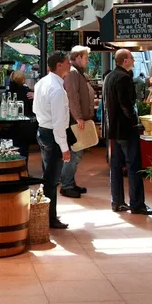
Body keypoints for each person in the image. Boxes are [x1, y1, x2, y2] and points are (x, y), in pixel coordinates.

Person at [105, 49, 152, 215]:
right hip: (126, 129)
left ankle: (117, 201)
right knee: (133, 165)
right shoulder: (123, 78)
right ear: (125, 61)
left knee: (116, 165)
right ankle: (137, 204)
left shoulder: (110, 76)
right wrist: (134, 120)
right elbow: (126, 104)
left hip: (113, 129)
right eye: (131, 58)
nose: (134, 60)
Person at [34, 51, 72, 229]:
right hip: (53, 135)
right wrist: (64, 147)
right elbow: (58, 123)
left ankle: (47, 213)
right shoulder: (56, 89)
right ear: (59, 65)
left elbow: (35, 109)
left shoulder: (42, 82)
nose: (69, 65)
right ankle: (50, 218)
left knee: (47, 176)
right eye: (67, 62)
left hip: (42, 131)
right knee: (52, 179)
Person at [60, 45, 94, 198]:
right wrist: (79, 117)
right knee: (75, 154)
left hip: (76, 120)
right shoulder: (73, 74)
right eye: (86, 58)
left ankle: (70, 183)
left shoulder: (77, 73)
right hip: (75, 121)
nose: (87, 61)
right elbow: (72, 96)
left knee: (76, 153)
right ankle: (66, 185)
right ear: (78, 57)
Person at [0, 70, 35, 158]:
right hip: (24, 127)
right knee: (23, 150)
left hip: (9, 126)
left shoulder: (6, 93)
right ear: (23, 79)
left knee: (9, 151)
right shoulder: (28, 93)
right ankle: (23, 168)